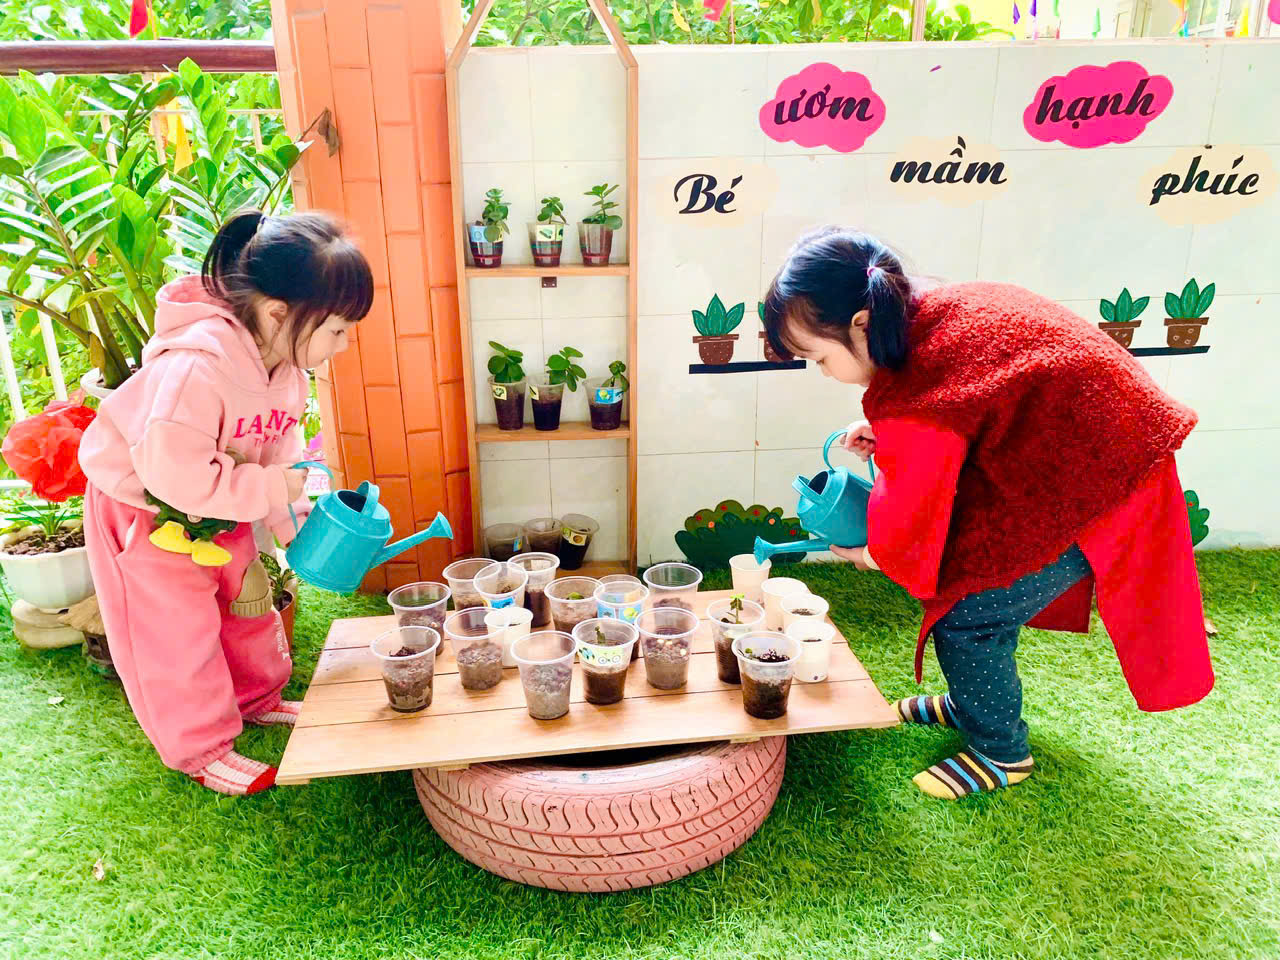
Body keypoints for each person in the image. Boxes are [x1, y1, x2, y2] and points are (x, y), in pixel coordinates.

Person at [762, 227, 1214, 799]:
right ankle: (973, 701)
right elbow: (976, 398)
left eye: (819, 357)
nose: (823, 372)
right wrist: (890, 431)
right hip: (1104, 456)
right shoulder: (930, 314)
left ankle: (1002, 752)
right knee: (981, 607)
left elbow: (912, 516)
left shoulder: (917, 390)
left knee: (968, 616)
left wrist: (873, 554)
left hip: (1104, 491)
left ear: (861, 323)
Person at [80, 210, 373, 795]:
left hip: (221, 504)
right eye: (337, 329)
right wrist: (267, 490)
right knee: (176, 632)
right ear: (278, 313)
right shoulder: (196, 367)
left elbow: (280, 457)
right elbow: (174, 477)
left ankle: (258, 698)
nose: (343, 345)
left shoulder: (286, 370)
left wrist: (297, 526)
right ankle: (201, 746)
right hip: (148, 512)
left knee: (248, 605)